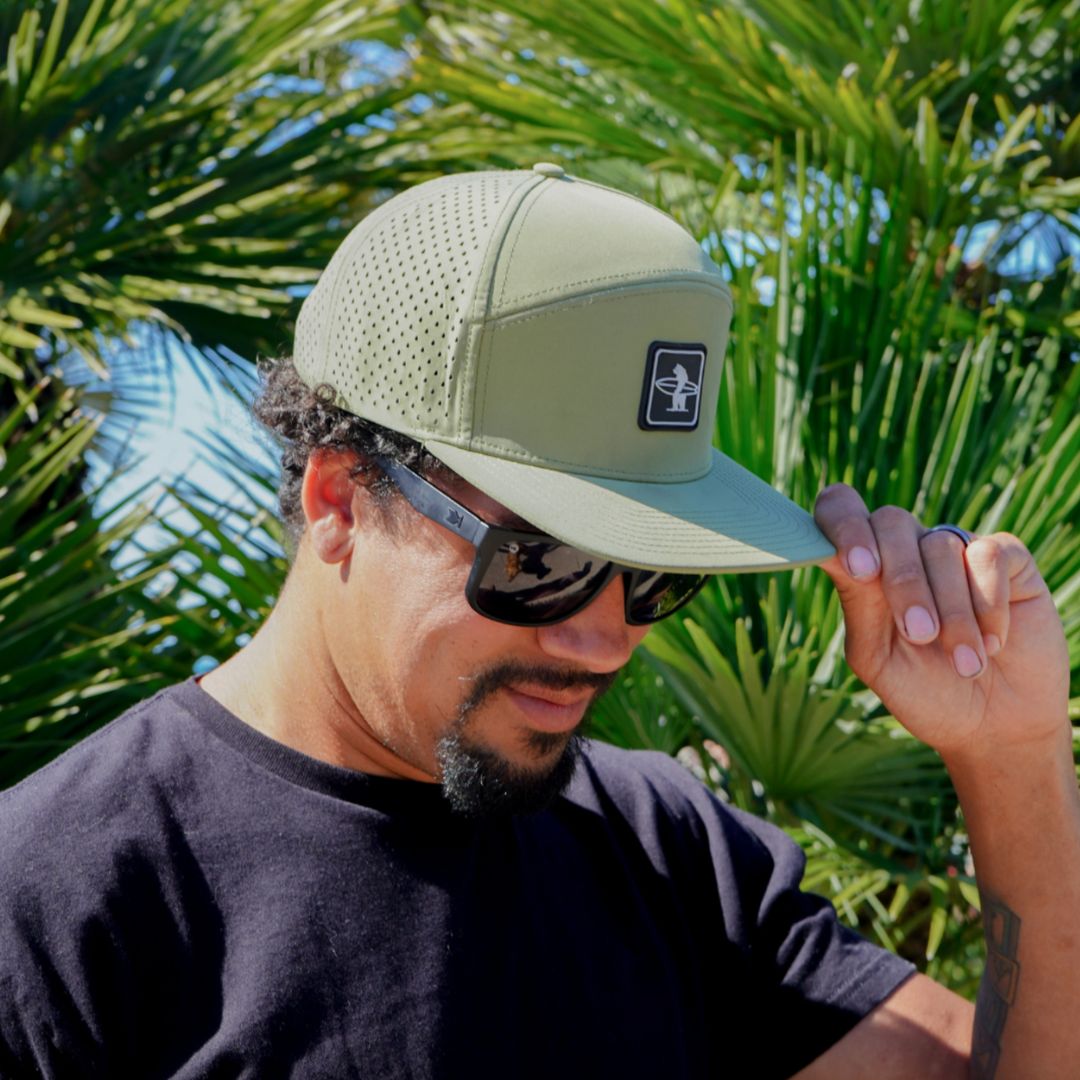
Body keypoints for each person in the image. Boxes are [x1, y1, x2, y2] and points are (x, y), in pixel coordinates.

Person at [0, 163, 1075, 1080]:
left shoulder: (669, 853)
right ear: (338, 500)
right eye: (542, 560)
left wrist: (1013, 755)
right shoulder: (57, 902)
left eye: (658, 574)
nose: (606, 637)